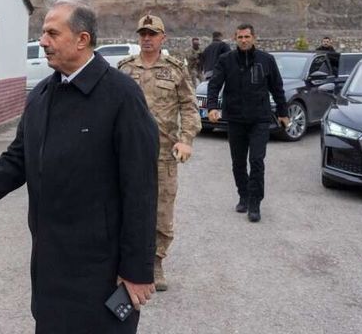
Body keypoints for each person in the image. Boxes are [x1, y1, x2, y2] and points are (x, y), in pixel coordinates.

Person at [0, 0, 159, 334]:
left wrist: (137, 269)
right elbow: (18, 158)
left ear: (82, 40)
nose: (43, 41)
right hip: (50, 267)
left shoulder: (121, 96)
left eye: (52, 33)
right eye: (43, 33)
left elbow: (141, 188)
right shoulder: (40, 96)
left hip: (101, 271)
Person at [118, 15, 201, 292]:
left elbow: (190, 107)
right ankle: (124, 262)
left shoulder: (175, 70)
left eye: (152, 34)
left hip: (164, 154)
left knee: (161, 212)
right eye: (143, 33)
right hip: (127, 154)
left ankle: (155, 262)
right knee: (123, 206)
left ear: (162, 38)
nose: (147, 38)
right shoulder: (124, 69)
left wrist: (186, 139)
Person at [206, 24, 289, 223]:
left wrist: (283, 112)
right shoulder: (226, 60)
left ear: (254, 38)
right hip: (235, 119)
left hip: (259, 119)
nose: (244, 40)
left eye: (247, 36)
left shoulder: (266, 60)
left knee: (257, 161)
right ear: (235, 38)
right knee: (238, 162)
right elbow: (214, 84)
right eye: (240, 37)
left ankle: (255, 203)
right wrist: (212, 107)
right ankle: (243, 195)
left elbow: (277, 87)